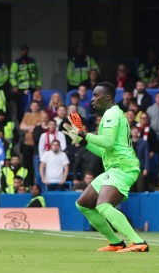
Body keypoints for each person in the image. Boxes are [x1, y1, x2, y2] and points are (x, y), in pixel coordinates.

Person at [63, 82, 149, 252]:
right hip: (114, 168)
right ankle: (115, 242)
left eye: (96, 95)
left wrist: (83, 133)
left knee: (103, 205)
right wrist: (83, 141)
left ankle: (138, 242)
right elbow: (104, 149)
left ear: (107, 97)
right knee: (84, 204)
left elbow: (108, 142)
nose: (92, 99)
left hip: (123, 168)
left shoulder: (111, 114)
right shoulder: (113, 114)